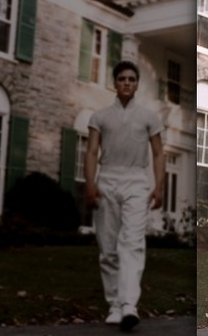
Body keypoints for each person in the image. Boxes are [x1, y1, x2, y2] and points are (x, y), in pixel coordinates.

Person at [85, 60, 165, 331]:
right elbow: (92, 152)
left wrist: (159, 186)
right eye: (122, 79)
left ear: (137, 83)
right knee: (108, 247)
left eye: (131, 79)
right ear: (115, 83)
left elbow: (158, 153)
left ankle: (129, 304)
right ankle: (114, 305)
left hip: (136, 181)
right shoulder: (100, 117)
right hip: (106, 179)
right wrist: (89, 184)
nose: (127, 83)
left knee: (131, 243)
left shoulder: (148, 117)